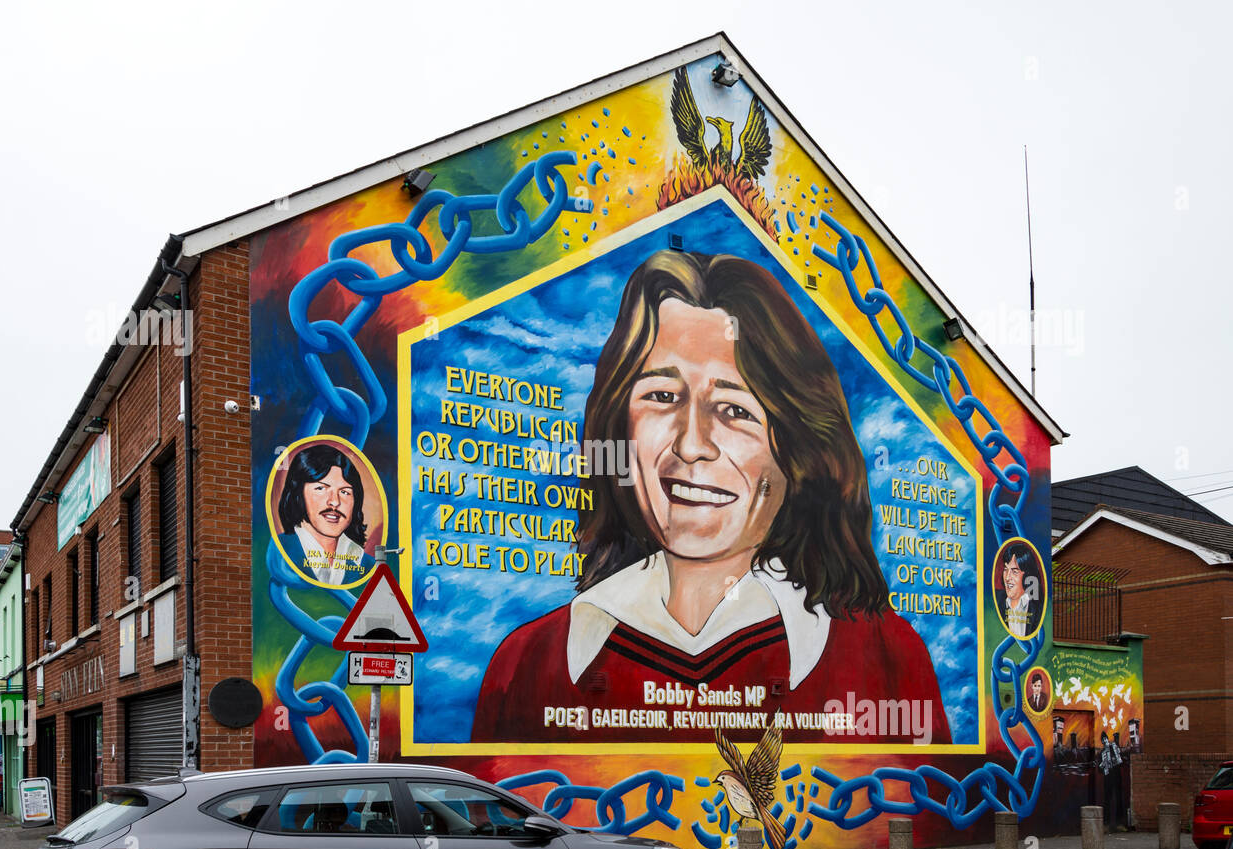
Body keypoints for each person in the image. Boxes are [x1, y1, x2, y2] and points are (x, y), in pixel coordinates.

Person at [472, 250, 950, 744]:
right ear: (619, 429)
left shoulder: (885, 658)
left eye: (734, 409)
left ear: (797, 445)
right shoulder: (530, 663)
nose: (692, 444)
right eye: (660, 397)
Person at [275, 444, 381, 586]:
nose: (335, 502)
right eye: (321, 488)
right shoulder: (280, 552)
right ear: (298, 493)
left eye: (345, 492)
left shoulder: (367, 565)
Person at [998, 542, 1042, 637]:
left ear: (1027, 574)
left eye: (1014, 571)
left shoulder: (1038, 606)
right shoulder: (996, 602)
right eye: (1006, 570)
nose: (1007, 577)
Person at [1098, 731, 1125, 832]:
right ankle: (1106, 824)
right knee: (1107, 801)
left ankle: (1119, 823)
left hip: (1116, 776)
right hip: (1108, 778)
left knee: (1118, 799)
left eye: (1105, 739)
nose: (1105, 741)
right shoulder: (1102, 753)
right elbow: (1099, 769)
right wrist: (1103, 764)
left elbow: (1120, 761)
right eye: (1103, 739)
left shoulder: (1114, 748)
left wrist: (1113, 761)